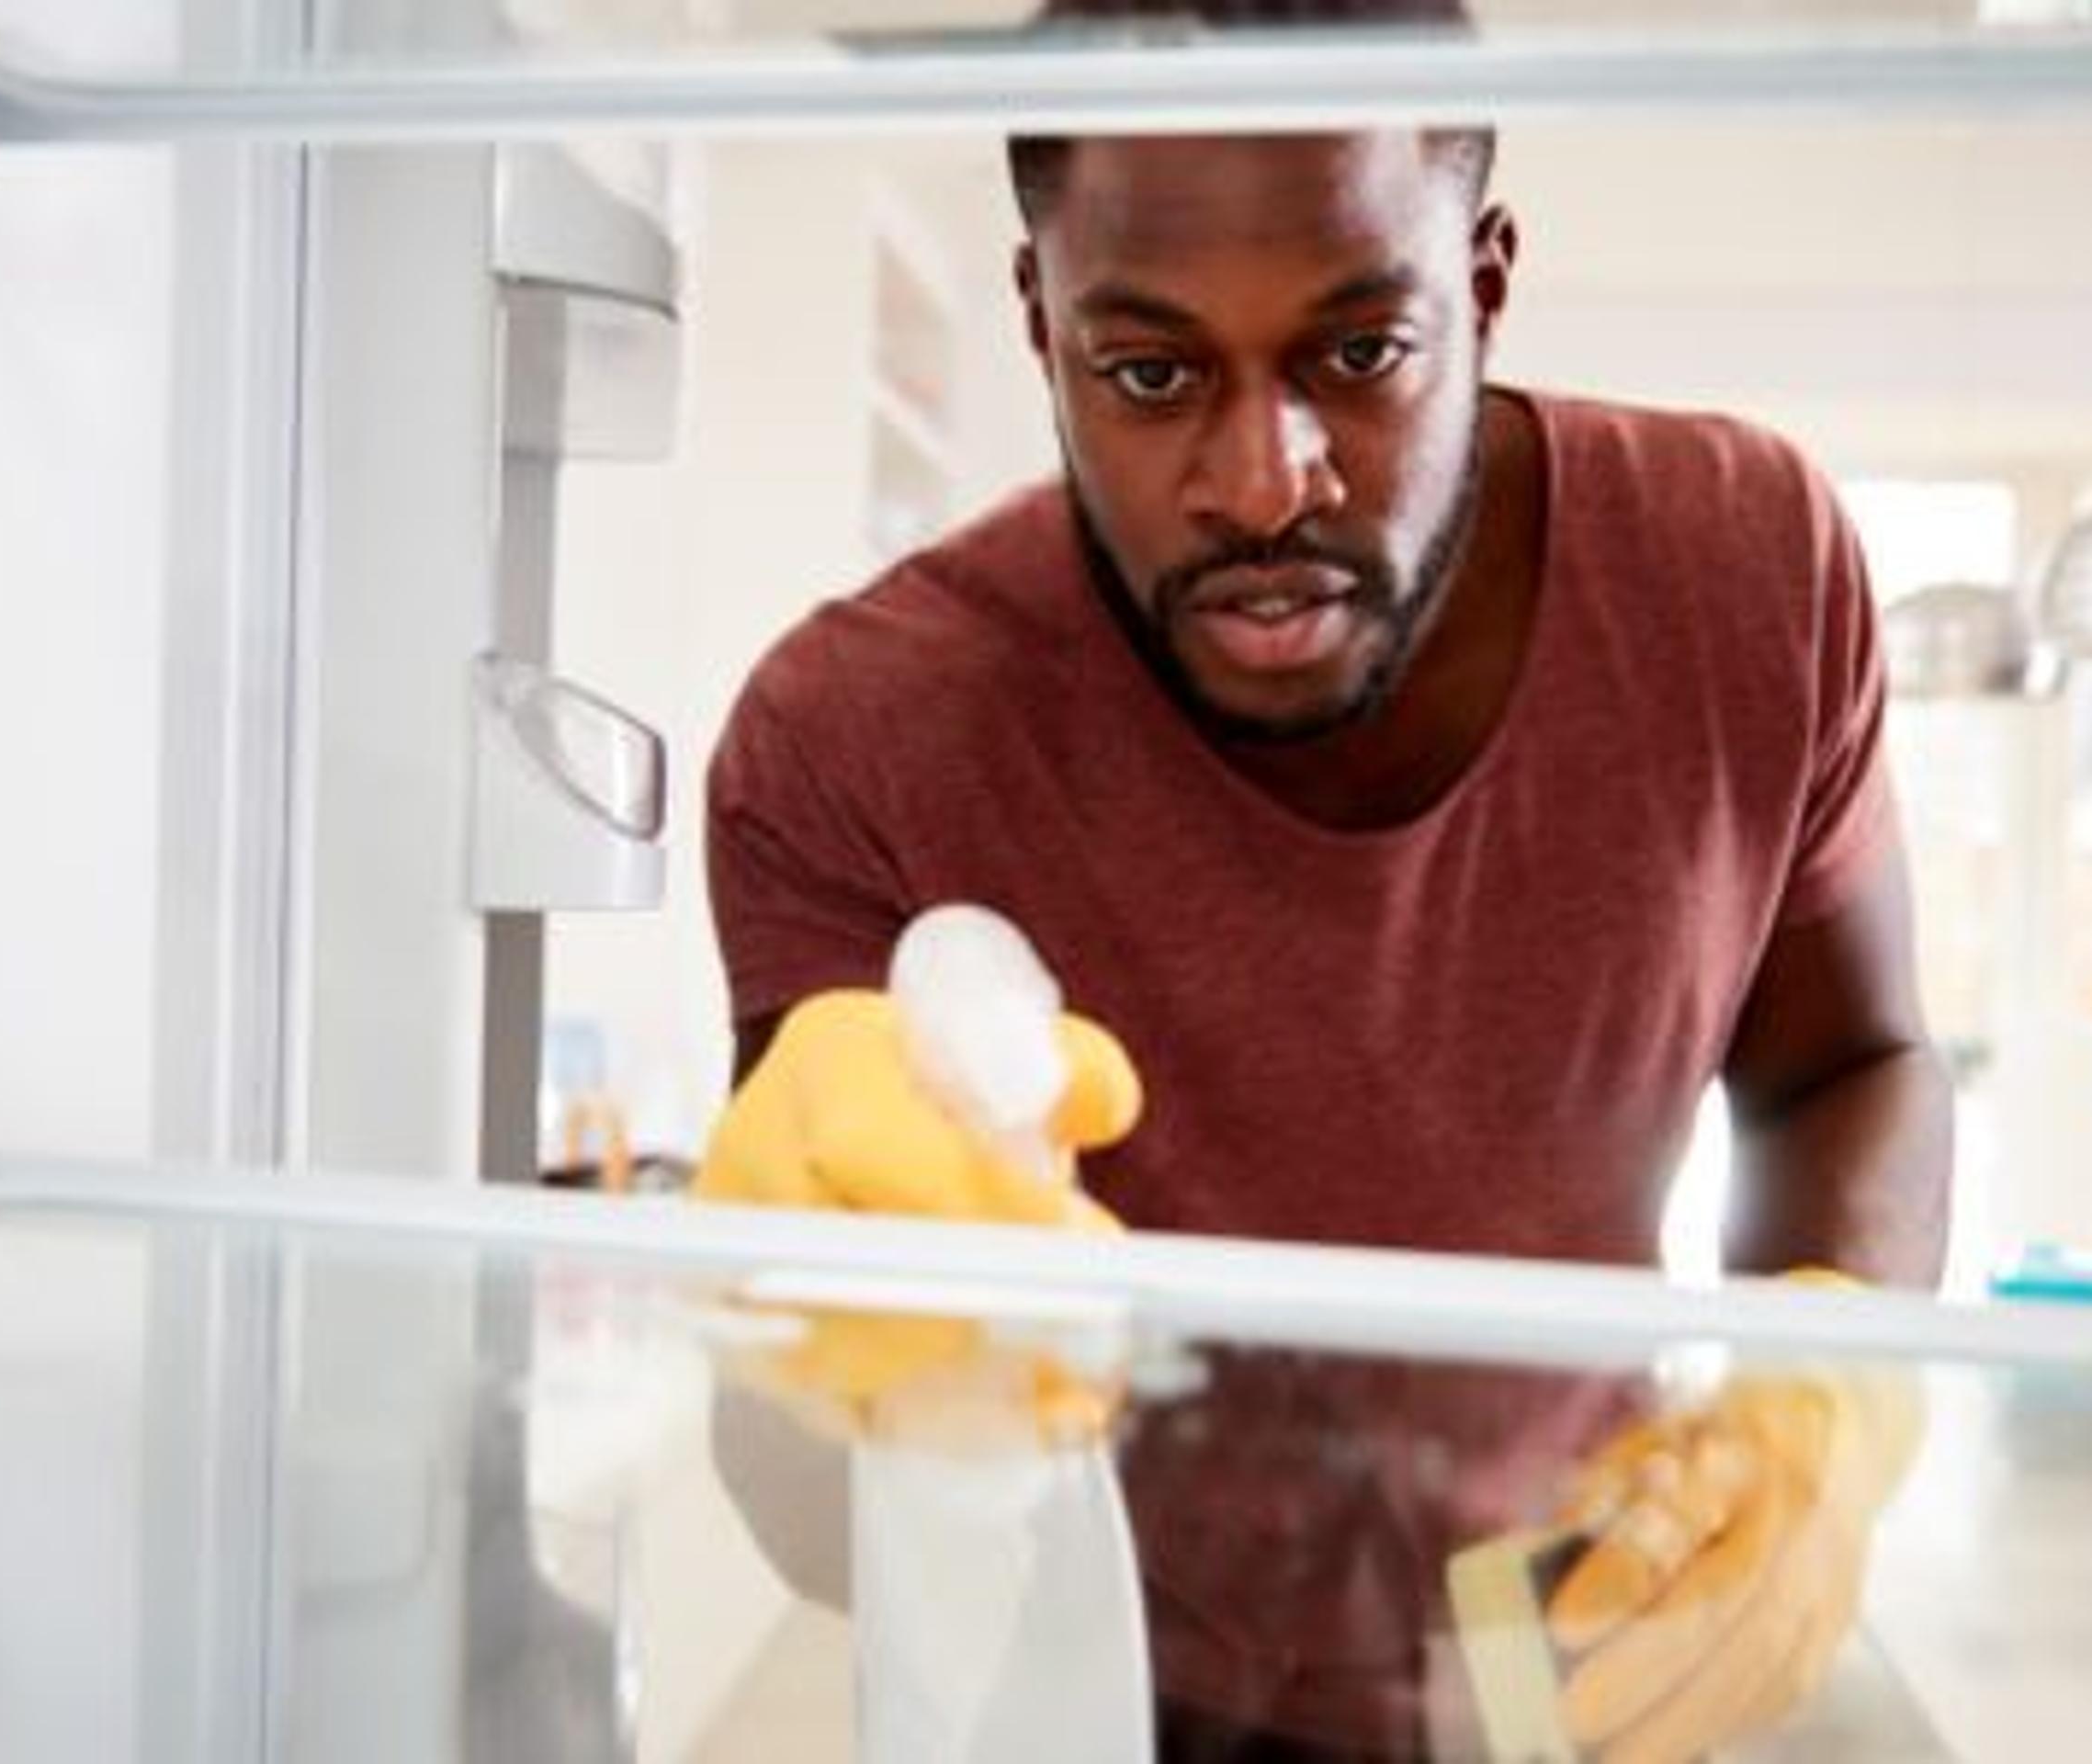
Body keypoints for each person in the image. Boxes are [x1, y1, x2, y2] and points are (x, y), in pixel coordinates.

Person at [695, 5, 1951, 1758]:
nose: (1264, 481)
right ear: (1040, 324)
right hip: (1111, 1684)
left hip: (1592, 1647)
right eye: (1149, 374)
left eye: (1362, 353)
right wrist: (798, 1336)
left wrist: (1832, 1380)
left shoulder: (1751, 570)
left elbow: (1853, 1063)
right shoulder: (850, 736)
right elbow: (810, 1472)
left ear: (1488, 283)